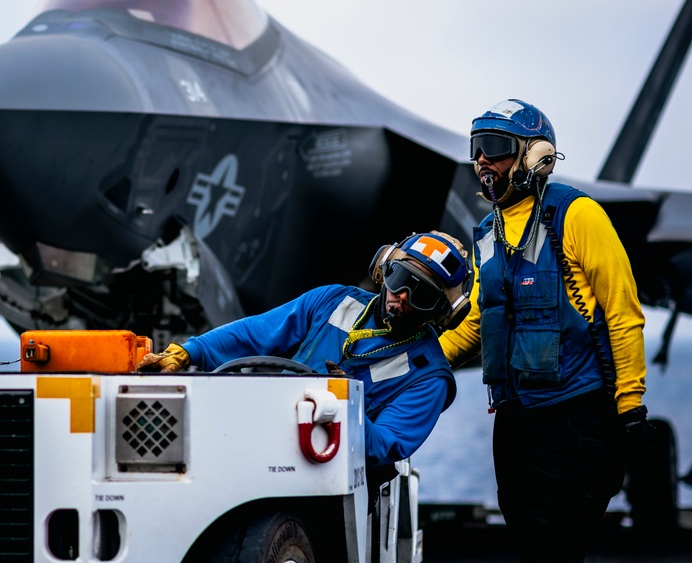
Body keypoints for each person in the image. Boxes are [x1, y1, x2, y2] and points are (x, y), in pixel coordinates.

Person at [439, 99, 654, 561]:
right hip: (515, 419)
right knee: (525, 539)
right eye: (477, 148)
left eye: (494, 148)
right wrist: (415, 363)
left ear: (534, 156)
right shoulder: (486, 231)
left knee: (553, 547)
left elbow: (622, 310)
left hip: (575, 414)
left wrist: (630, 404)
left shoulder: (577, 215)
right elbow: (478, 321)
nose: (482, 161)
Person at [138, 231, 472, 476]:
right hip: (261, 439)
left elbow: (386, 444)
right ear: (383, 269)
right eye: (399, 278)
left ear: (442, 312)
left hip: (333, 479)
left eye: (421, 295)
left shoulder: (430, 378)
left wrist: (346, 405)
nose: (400, 297)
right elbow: (255, 333)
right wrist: (189, 351)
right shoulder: (332, 300)